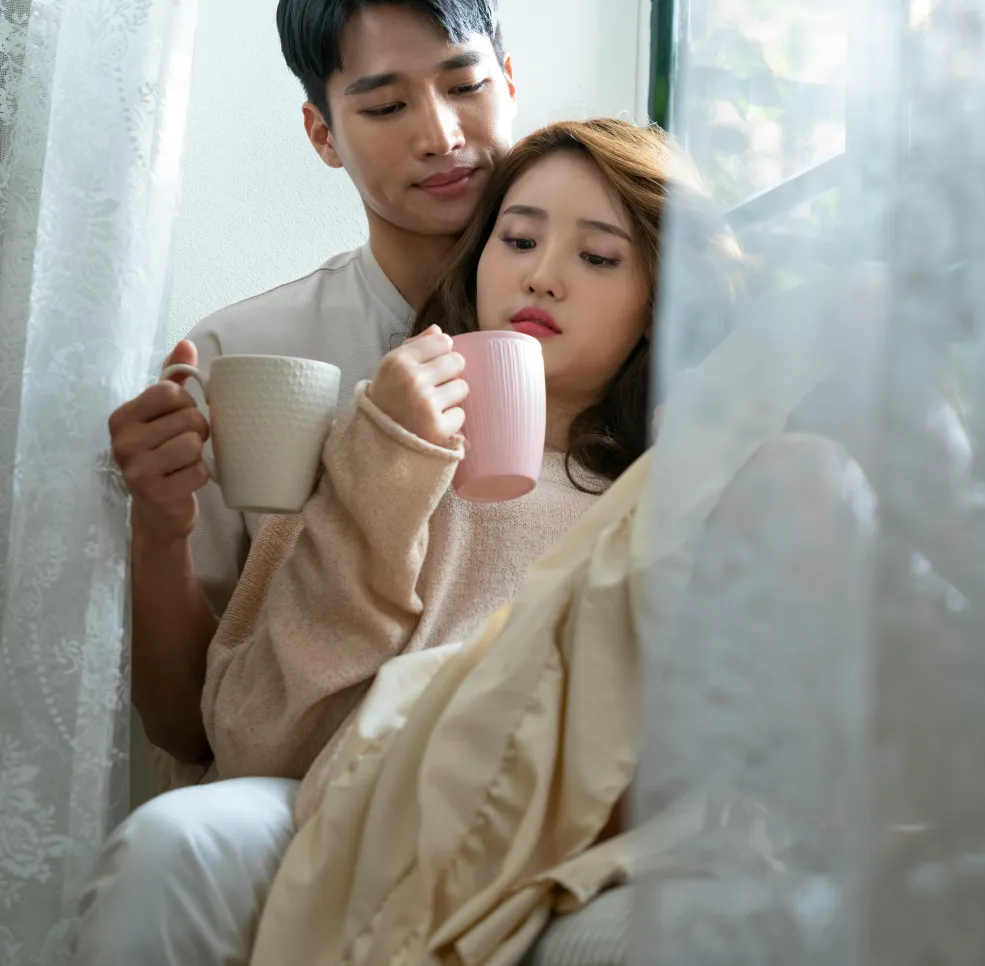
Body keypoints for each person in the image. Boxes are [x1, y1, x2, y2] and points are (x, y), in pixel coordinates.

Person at [74, 118, 710, 966]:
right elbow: (260, 741)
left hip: (548, 843)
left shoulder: (665, 490)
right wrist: (387, 466)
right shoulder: (373, 441)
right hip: (348, 810)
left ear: (659, 305)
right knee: (177, 842)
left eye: (599, 258)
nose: (542, 275)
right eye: (517, 238)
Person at [107, 0, 517, 769]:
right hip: (297, 792)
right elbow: (182, 724)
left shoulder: (603, 329)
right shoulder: (242, 355)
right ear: (323, 134)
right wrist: (158, 528)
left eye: (465, 86)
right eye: (388, 104)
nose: (442, 135)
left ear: (510, 84)